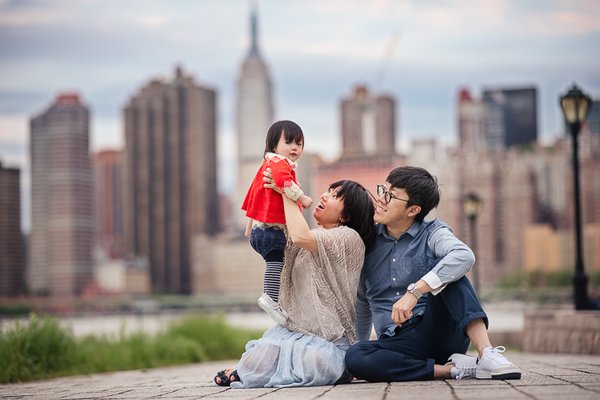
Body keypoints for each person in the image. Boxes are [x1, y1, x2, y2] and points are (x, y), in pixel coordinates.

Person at [345, 166, 521, 381]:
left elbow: (464, 256)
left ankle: (486, 354)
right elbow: (363, 303)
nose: (381, 199)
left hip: (439, 332)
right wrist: (358, 346)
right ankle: (454, 370)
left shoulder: (432, 233)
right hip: (398, 344)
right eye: (383, 190)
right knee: (355, 356)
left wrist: (415, 292)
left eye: (391, 196)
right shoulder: (368, 242)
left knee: (452, 276)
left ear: (413, 210)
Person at [215, 179, 376, 388]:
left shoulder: (349, 238)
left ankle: (255, 370)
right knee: (257, 358)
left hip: (332, 341)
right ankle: (253, 369)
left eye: (335, 195)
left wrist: (286, 190)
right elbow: (255, 236)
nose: (325, 196)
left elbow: (299, 236)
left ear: (346, 215)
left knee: (315, 361)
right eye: (328, 190)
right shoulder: (311, 238)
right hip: (294, 333)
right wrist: (265, 193)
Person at [241, 120, 313, 325]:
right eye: (289, 142)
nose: (294, 148)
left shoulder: (267, 164)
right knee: (276, 262)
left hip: (259, 229)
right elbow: (285, 183)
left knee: (277, 263)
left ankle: (276, 298)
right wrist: (303, 198)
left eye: (299, 144)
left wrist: (249, 228)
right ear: (274, 145)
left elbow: (251, 197)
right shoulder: (279, 164)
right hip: (270, 230)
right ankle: (270, 298)